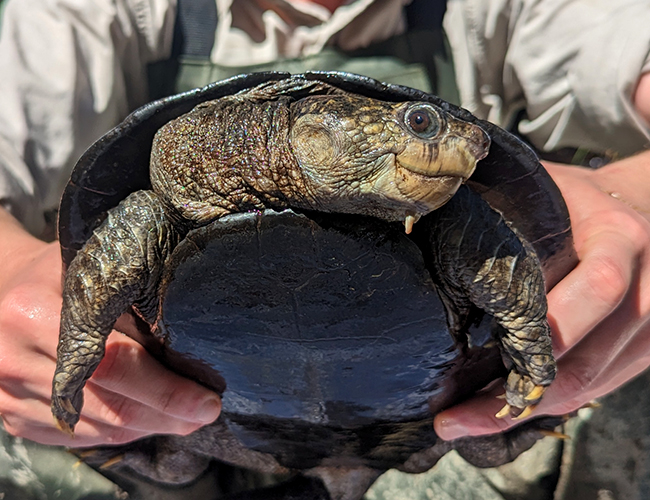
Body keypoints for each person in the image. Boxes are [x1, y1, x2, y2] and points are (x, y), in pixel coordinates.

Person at [0, 0, 649, 497]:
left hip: (438, 430)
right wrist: (10, 271)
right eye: (419, 127)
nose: (464, 149)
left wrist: (632, 197)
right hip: (172, 429)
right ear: (306, 125)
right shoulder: (89, 16)